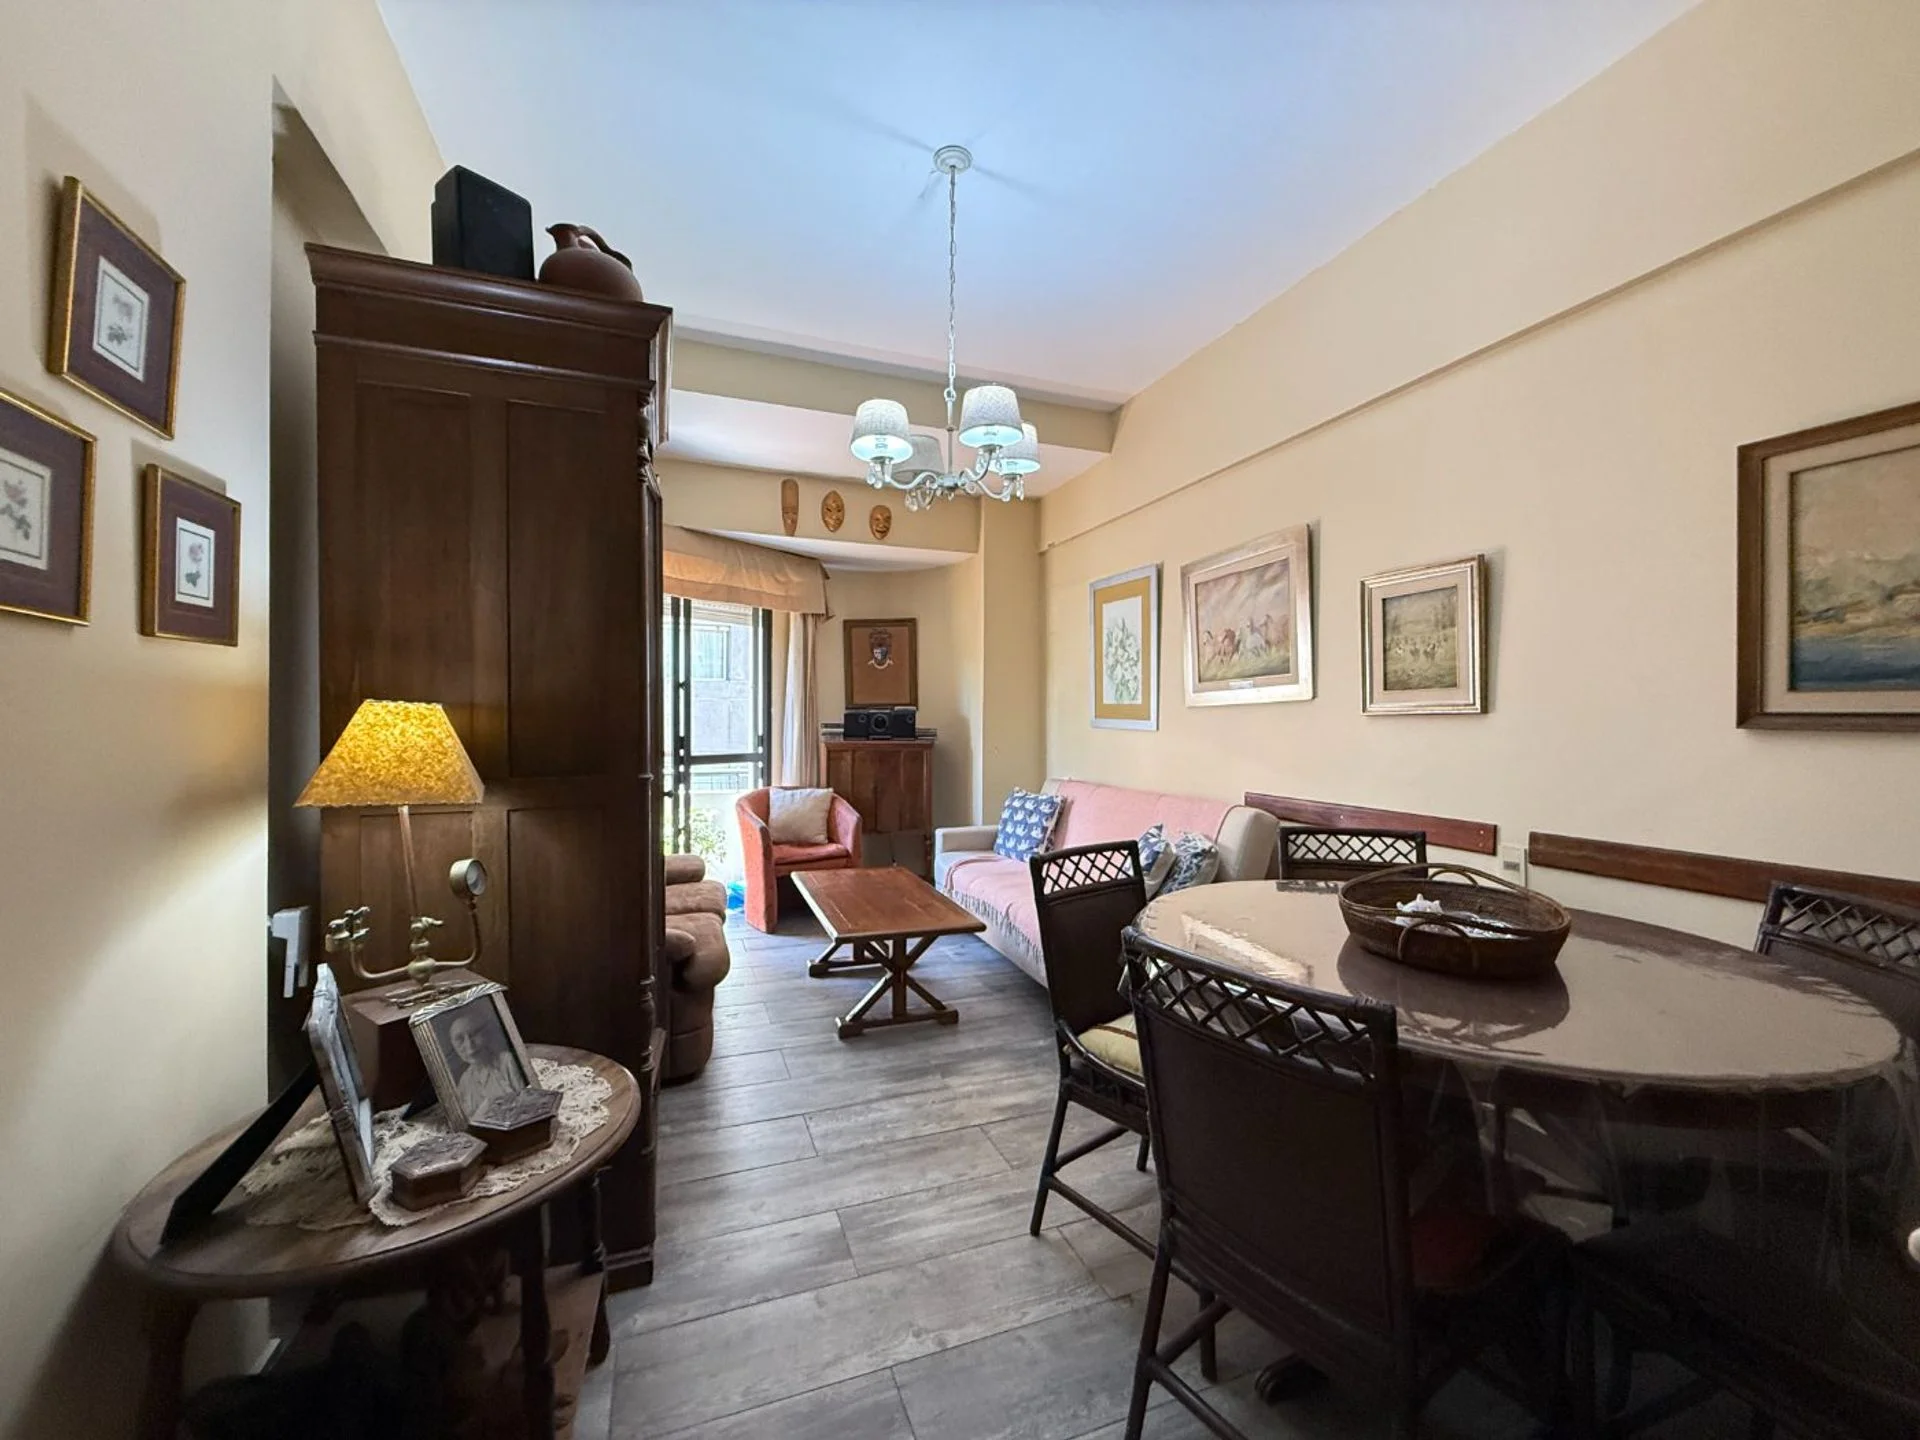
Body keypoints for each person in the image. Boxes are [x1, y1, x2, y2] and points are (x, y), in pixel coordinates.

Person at [446, 1009, 522, 1117]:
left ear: (486, 1035)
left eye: (473, 1034)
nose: (469, 1045)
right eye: (459, 1039)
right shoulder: (465, 1081)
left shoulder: (507, 1061)